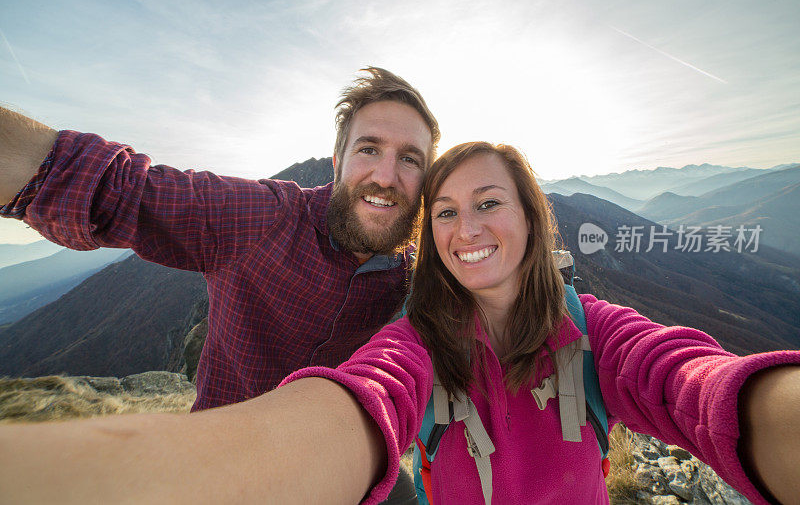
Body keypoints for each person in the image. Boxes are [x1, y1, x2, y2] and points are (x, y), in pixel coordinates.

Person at [1, 142, 799, 505]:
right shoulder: (415, 344)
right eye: (446, 211)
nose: (468, 225)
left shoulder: (599, 334)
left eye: (491, 201)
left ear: (532, 216)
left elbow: (690, 380)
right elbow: (365, 404)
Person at [0, 67, 438, 504]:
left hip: (342, 464)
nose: (385, 175)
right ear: (339, 161)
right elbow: (120, 189)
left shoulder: (412, 269)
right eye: (369, 149)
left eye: (409, 159)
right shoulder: (264, 217)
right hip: (222, 467)